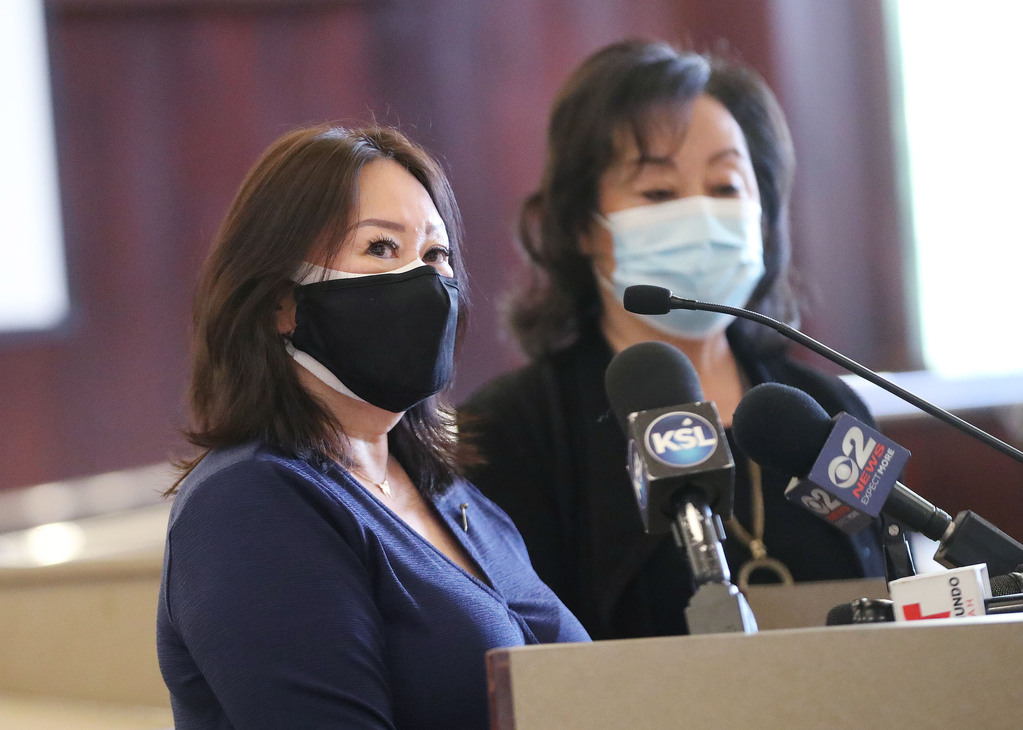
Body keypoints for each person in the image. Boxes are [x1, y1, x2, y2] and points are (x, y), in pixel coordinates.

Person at [156, 124, 589, 729]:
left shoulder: (448, 493)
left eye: (435, 256)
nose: (425, 283)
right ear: (283, 303)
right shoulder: (248, 506)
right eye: (382, 248)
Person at [458, 39, 886, 640]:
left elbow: (895, 588)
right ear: (584, 225)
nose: (702, 217)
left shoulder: (828, 411)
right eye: (658, 192)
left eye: (726, 187)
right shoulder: (514, 430)